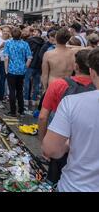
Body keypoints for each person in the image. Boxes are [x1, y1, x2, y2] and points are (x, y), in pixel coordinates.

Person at [42, 47, 99, 192]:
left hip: (76, 185)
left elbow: (51, 149)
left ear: (92, 72)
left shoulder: (72, 102)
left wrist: (68, 143)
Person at [4, 27, 33, 117]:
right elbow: (29, 57)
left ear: (11, 35)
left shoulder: (8, 43)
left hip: (11, 70)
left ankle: (13, 111)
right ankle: (21, 110)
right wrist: (25, 67)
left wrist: (6, 70)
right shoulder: (25, 44)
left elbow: (6, 57)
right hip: (21, 70)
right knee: (20, 90)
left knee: (12, 90)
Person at [41, 27, 76, 94]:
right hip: (68, 85)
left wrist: (45, 90)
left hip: (53, 85)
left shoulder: (48, 54)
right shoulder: (73, 53)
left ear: (56, 38)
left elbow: (44, 75)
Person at [24, 28, 45, 111]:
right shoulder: (43, 42)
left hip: (30, 64)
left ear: (39, 33)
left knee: (27, 82)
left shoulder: (29, 41)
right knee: (36, 83)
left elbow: (27, 52)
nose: (33, 33)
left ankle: (26, 99)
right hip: (39, 65)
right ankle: (33, 99)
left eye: (35, 32)